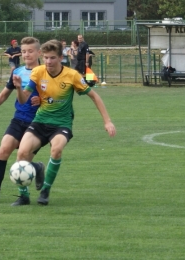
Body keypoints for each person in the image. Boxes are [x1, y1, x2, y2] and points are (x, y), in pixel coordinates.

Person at [12, 39, 116, 206]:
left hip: (61, 123)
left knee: (57, 149)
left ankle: (45, 190)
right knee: (22, 154)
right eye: (45, 57)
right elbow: (24, 99)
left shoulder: (72, 75)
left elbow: (94, 96)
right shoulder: (38, 72)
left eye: (52, 58)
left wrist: (107, 122)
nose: (48, 62)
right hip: (40, 120)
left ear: (61, 57)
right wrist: (18, 88)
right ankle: (23, 196)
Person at [0, 37, 45, 206]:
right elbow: (4, 94)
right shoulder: (17, 72)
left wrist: (43, 100)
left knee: (21, 160)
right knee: (3, 151)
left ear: (39, 52)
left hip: (38, 122)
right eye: (24, 51)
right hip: (19, 119)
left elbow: (57, 97)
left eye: (30, 51)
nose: (26, 55)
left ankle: (24, 196)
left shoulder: (46, 72)